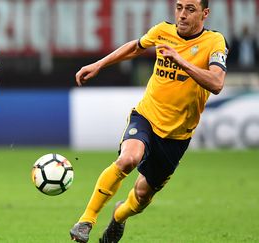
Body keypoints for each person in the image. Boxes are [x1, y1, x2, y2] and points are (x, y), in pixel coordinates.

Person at [69, 0, 228, 242]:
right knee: (127, 159)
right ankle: (86, 221)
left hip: (177, 136)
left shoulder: (214, 42)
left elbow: (216, 83)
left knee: (141, 196)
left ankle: (118, 218)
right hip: (147, 117)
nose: (182, 15)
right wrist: (99, 64)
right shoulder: (163, 31)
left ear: (205, 13)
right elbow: (136, 47)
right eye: (179, 7)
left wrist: (180, 61)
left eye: (190, 9)